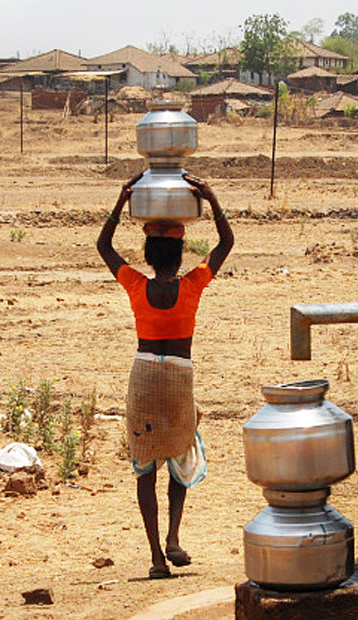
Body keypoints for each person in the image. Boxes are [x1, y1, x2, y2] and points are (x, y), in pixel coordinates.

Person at [97, 171, 234, 579]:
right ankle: (174, 537)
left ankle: (157, 557)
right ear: (180, 255)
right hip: (178, 379)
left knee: (145, 465)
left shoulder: (135, 285)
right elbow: (226, 243)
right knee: (179, 452)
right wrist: (211, 198)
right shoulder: (193, 285)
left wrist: (121, 201)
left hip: (143, 379)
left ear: (148, 256)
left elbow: (103, 246)